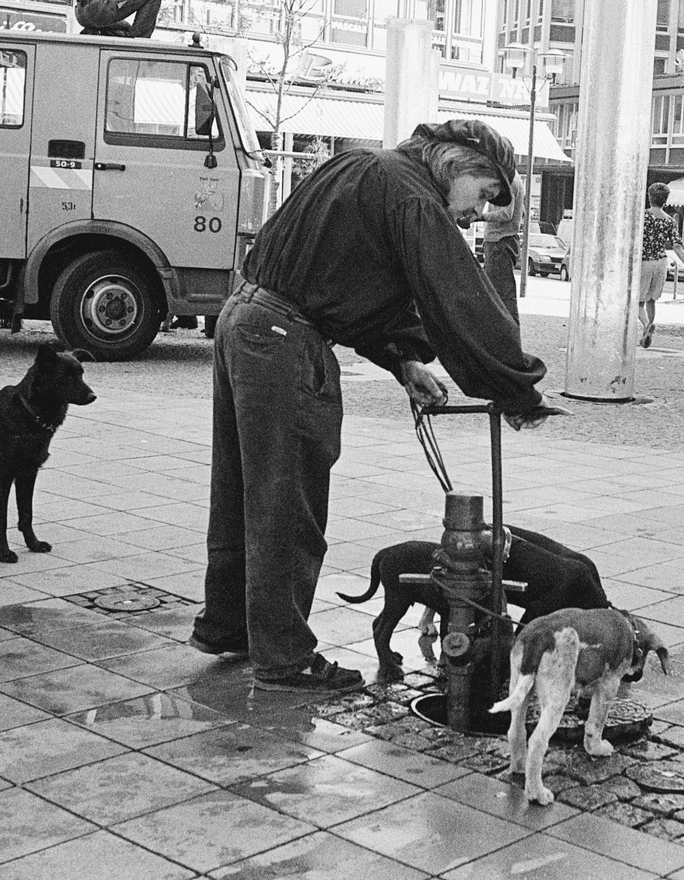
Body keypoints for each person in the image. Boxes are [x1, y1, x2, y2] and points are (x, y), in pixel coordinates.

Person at [188, 120, 550, 692]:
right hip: (284, 342)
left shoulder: (365, 166)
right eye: (484, 196)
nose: (477, 214)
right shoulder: (412, 194)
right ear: (460, 163)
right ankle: (283, 658)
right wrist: (515, 386)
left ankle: (229, 625)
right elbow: (458, 298)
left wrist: (401, 361)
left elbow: (341, 282)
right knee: (288, 506)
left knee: (242, 493)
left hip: (247, 321)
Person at [639, 182, 684, 348]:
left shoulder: (643, 216)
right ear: (665, 200)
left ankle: (646, 325)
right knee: (651, 300)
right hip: (661, 262)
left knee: (638, 301)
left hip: (644, 261)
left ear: (649, 197)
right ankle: (645, 332)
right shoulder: (670, 221)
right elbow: (676, 245)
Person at [480, 173, 523, 327]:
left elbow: (506, 214)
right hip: (500, 241)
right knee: (500, 294)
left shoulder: (510, 181)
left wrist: (481, 217)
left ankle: (510, 339)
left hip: (500, 241)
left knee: (502, 295)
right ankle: (504, 337)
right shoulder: (511, 179)